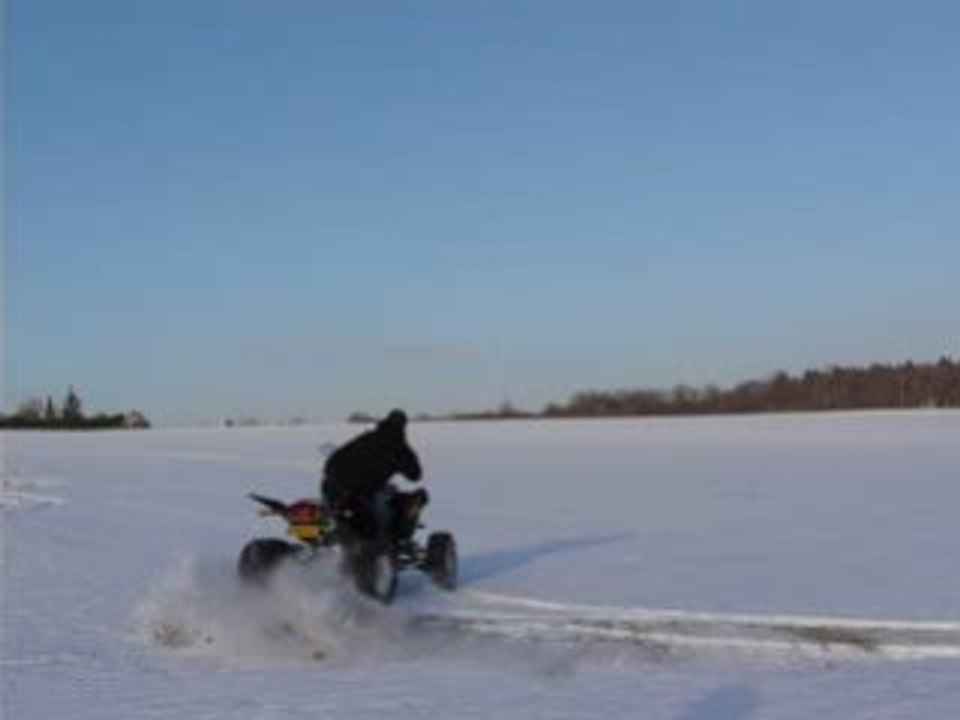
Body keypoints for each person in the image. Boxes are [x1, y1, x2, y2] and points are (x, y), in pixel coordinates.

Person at [321, 409, 428, 543]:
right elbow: (415, 475)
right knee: (398, 504)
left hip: (332, 488)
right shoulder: (400, 448)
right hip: (360, 494)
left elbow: (333, 462)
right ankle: (388, 539)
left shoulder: (366, 438)